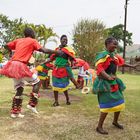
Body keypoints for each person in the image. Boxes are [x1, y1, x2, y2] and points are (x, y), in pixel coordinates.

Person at [0, 27, 62, 118]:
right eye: (34, 33)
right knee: (37, 82)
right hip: (20, 65)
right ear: (31, 33)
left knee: (19, 88)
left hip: (12, 65)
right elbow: (43, 50)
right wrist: (56, 52)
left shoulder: (18, 40)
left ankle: (15, 112)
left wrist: (10, 52)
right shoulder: (32, 41)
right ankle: (32, 104)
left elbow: (6, 45)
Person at [93, 37, 136, 135]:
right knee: (106, 105)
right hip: (104, 83)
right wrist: (107, 77)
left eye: (116, 44)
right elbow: (99, 68)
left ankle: (115, 121)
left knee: (119, 102)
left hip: (114, 82)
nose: (115, 46)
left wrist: (132, 66)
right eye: (114, 44)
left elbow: (121, 63)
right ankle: (99, 127)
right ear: (107, 44)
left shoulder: (113, 56)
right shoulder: (102, 55)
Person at [45, 35, 79, 106]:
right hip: (56, 70)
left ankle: (67, 99)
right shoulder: (57, 49)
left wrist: (72, 63)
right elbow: (51, 58)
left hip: (64, 69)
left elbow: (72, 58)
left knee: (64, 87)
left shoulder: (68, 49)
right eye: (64, 39)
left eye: (66, 40)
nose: (65, 41)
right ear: (60, 40)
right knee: (55, 86)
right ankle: (56, 102)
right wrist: (44, 62)